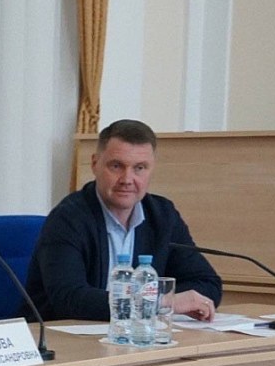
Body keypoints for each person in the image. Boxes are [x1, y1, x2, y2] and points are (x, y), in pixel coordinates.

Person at [25, 119, 222, 322]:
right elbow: (69, 299)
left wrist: (161, 302)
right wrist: (160, 302)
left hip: (137, 335)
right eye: (117, 166)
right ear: (95, 164)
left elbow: (207, 284)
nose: (127, 179)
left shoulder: (163, 216)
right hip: (63, 336)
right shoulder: (68, 218)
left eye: (139, 168)